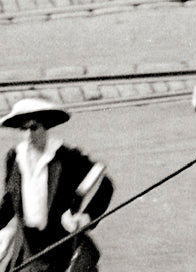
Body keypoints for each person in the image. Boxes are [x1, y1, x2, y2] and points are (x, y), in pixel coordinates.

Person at [0, 98, 114, 272]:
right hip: (27, 250)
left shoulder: (66, 157)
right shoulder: (15, 158)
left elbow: (104, 184)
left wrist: (87, 217)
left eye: (34, 127)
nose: (29, 135)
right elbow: (9, 202)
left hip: (62, 246)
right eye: (24, 128)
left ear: (45, 127)